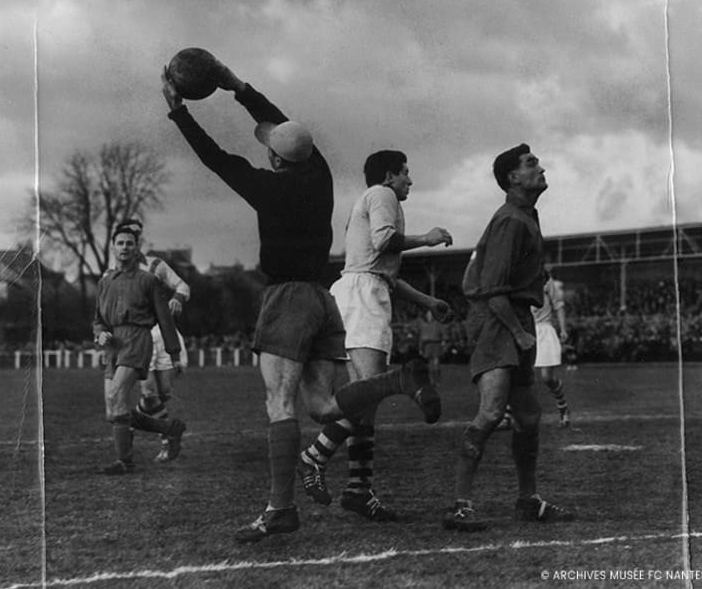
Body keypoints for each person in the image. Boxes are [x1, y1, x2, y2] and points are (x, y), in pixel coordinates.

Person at [162, 61, 441, 543]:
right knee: (325, 405)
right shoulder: (321, 172)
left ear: (273, 159)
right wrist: (238, 86)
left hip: (288, 298)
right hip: (321, 297)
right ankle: (396, 381)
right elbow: (283, 123)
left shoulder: (267, 187)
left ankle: (280, 508)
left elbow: (216, 158)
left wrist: (178, 112)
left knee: (279, 402)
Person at [297, 150, 452, 521]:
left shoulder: (371, 201)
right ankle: (313, 457)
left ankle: (358, 490)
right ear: (388, 176)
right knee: (368, 393)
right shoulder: (382, 196)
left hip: (359, 291)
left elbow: (385, 273)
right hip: (363, 297)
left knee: (365, 400)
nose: (410, 181)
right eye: (405, 174)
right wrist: (427, 239)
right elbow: (385, 241)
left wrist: (428, 300)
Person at [442, 143, 575, 532]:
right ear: (513, 177)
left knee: (529, 416)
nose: (541, 167)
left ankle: (527, 500)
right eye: (532, 164)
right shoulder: (510, 220)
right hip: (498, 320)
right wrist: (518, 332)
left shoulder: (526, 216)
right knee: (492, 410)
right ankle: (460, 505)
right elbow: (492, 287)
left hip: (514, 318)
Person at [93, 224, 187, 475]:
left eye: (130, 243)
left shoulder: (149, 281)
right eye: (120, 243)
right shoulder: (105, 281)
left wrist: (174, 354)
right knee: (113, 411)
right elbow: (98, 319)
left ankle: (125, 462)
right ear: (113, 247)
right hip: (114, 344)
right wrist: (99, 333)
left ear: (137, 249)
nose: (125, 247)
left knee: (116, 398)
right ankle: (168, 428)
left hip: (137, 340)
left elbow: (165, 320)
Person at [114, 218, 192, 462]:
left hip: (163, 332)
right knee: (148, 392)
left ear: (140, 241)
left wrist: (178, 298)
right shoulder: (116, 271)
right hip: (139, 336)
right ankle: (168, 436)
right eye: (126, 238)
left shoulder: (156, 264)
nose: (131, 243)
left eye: (136, 238)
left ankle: (134, 423)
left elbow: (183, 285)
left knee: (162, 395)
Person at [496, 266, 570, 430]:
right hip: (524, 329)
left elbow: (558, 305)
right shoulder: (517, 279)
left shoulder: (546, 279)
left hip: (544, 329)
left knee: (547, 377)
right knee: (514, 373)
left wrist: (563, 329)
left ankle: (563, 407)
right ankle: (507, 416)